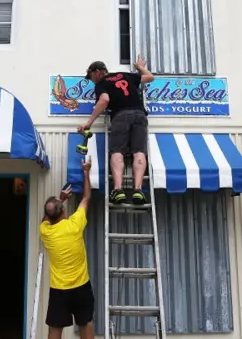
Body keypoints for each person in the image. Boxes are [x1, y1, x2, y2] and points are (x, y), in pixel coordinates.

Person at [78, 56, 154, 205]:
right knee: (139, 151)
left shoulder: (101, 83)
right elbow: (150, 77)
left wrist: (89, 122)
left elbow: (104, 100)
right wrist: (140, 67)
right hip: (139, 115)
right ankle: (138, 191)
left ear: (98, 72)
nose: (92, 79)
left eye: (91, 76)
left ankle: (118, 190)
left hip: (121, 116)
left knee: (117, 151)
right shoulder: (125, 75)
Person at [40, 158, 95, 339]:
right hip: (81, 287)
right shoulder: (74, 225)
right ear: (63, 211)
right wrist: (86, 172)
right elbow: (86, 198)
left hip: (59, 290)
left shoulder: (46, 233)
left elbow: (48, 217)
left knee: (55, 329)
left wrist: (59, 199)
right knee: (86, 323)